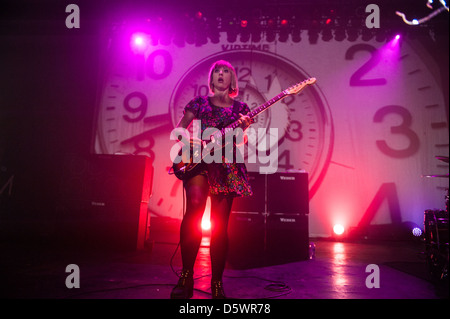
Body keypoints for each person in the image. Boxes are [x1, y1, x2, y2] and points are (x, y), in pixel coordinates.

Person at [170, 60, 254, 299]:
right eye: (217, 70)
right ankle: (186, 275)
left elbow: (240, 142)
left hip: (227, 165)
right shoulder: (199, 103)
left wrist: (243, 130)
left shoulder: (242, 109)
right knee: (195, 207)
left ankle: (217, 283)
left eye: (226, 70)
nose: (220, 73)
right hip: (200, 161)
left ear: (232, 80)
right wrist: (191, 143)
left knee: (219, 227)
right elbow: (179, 130)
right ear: (212, 78)